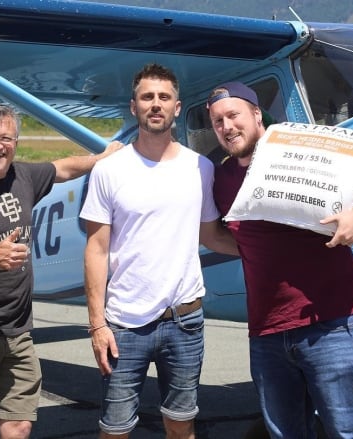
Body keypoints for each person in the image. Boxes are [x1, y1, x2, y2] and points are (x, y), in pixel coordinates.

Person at [0, 102, 122, 439]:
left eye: (6, 137)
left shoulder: (24, 176)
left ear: (16, 142)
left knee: (19, 424)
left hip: (17, 329)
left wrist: (101, 160)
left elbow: (63, 168)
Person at [207, 82, 353, 439]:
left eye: (233, 115)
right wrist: (256, 250)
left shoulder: (301, 152)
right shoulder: (222, 179)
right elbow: (214, 236)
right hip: (267, 333)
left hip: (331, 323)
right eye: (217, 121)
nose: (227, 127)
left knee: (349, 432)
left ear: (257, 115)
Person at [81, 64, 238, 439]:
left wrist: (268, 252)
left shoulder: (200, 167)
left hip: (184, 321)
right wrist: (97, 325)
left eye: (163, 97)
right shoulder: (109, 170)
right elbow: (97, 249)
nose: (156, 104)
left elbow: (212, 236)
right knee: (115, 430)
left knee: (181, 425)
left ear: (178, 107)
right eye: (147, 97)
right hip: (123, 323)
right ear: (133, 107)